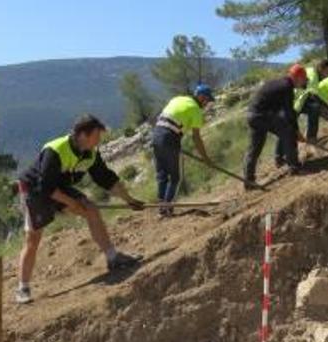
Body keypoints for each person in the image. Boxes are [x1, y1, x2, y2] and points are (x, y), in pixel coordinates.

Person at [15, 114, 145, 304]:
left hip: (58, 187)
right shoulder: (55, 150)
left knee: (91, 210)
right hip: (35, 189)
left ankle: (113, 258)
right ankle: (22, 288)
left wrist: (129, 200)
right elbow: (46, 188)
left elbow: (106, 179)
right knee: (33, 239)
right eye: (96, 136)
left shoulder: (91, 154)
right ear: (83, 135)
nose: (99, 141)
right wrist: (72, 203)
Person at [242, 64, 308, 189]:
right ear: (298, 77)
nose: (304, 82)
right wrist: (297, 132)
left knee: (254, 148)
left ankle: (249, 181)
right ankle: (294, 167)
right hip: (262, 115)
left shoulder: (279, 83)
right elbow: (289, 113)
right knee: (289, 133)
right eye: (304, 79)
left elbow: (283, 112)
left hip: (252, 115)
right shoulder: (287, 87)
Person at [153, 84, 215, 218]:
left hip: (156, 134)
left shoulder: (177, 99)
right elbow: (196, 138)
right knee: (174, 177)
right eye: (207, 100)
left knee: (162, 174)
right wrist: (205, 158)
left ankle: (161, 206)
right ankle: (167, 208)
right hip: (170, 138)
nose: (206, 103)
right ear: (201, 97)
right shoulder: (195, 110)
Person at [293, 60, 328, 145]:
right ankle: (311, 138)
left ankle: (311, 138)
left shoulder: (313, 73)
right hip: (294, 102)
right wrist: (326, 110)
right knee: (288, 126)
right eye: (327, 72)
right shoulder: (313, 76)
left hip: (300, 100)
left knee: (314, 108)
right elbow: (313, 95)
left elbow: (318, 94)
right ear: (320, 68)